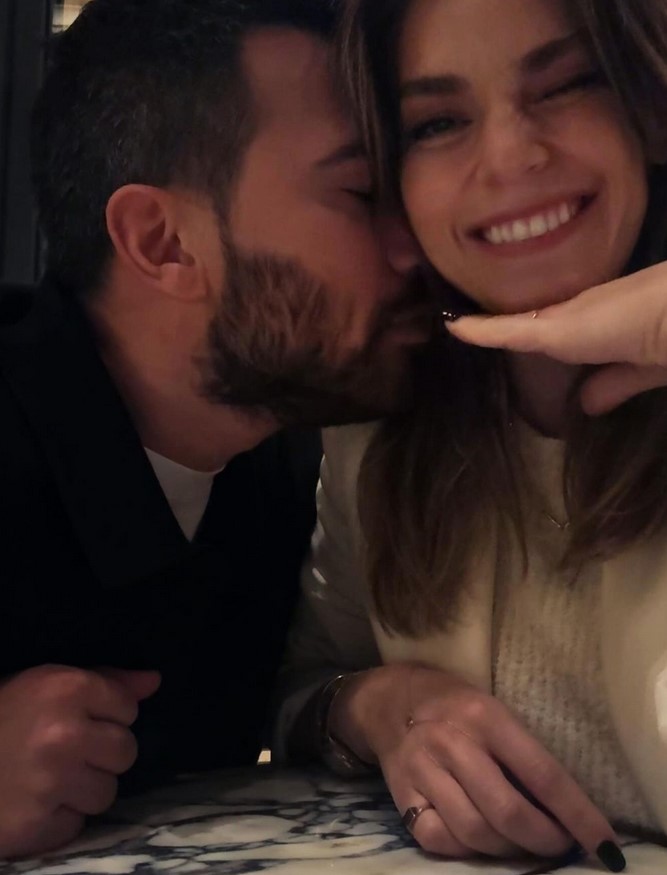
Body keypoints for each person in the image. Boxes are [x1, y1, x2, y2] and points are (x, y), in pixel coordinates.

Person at [0, 0, 433, 859]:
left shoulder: (279, 457)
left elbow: (301, 688)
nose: (411, 245)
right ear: (162, 242)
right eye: (359, 192)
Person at [276, 0, 667, 871]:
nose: (510, 156)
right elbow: (302, 688)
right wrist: (385, 707)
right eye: (438, 122)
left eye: (565, 84)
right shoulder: (382, 426)